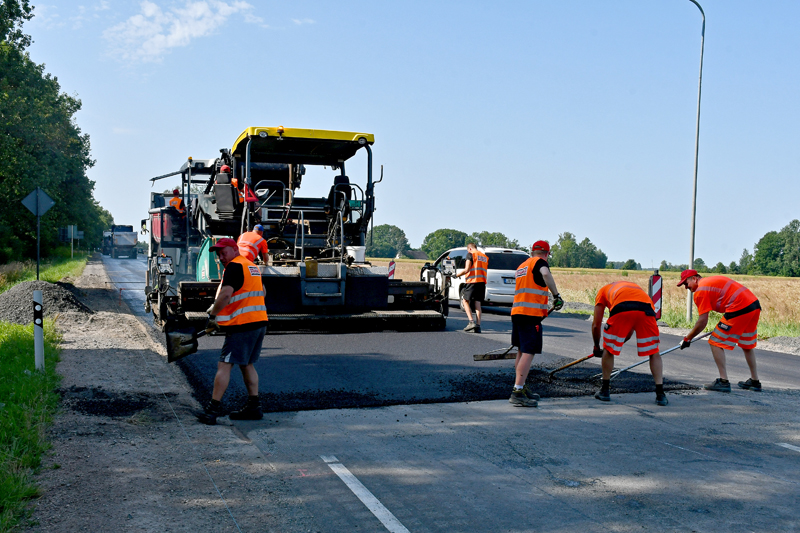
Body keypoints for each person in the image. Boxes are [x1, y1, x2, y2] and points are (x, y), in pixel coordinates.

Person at [197, 238, 269, 425]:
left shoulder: (234, 267)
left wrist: (213, 316)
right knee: (247, 364)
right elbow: (262, 291)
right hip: (259, 322)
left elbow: (226, 295)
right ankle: (254, 407)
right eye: (218, 254)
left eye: (224, 252)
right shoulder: (252, 266)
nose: (221, 257)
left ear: (235, 249)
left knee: (224, 365)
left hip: (243, 325)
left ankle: (212, 411)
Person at [677, 269, 762, 392]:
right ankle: (755, 381)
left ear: (694, 279)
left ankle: (723, 381)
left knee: (715, 342)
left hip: (739, 308)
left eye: (686, 283)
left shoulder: (701, 290)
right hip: (753, 305)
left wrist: (688, 338)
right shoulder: (710, 281)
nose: (686, 288)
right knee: (747, 345)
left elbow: (702, 321)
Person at [592, 281, 666, 406]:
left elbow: (596, 325)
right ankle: (661, 395)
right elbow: (630, 328)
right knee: (654, 352)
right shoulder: (633, 287)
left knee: (609, 350)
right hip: (647, 310)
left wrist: (597, 346)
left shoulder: (603, 291)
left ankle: (605, 391)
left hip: (622, 309)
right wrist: (619, 341)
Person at [508, 240, 563, 407]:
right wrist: (556, 295)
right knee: (529, 351)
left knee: (521, 350)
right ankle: (517, 391)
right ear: (546, 254)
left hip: (517, 312)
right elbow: (545, 274)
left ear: (532, 251)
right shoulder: (540, 263)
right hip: (530, 315)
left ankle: (521, 386)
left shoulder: (522, 265)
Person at [454, 243, 488, 333]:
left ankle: (471, 322)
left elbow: (467, 269)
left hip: (472, 281)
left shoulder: (470, 254)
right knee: (477, 303)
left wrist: (456, 275)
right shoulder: (484, 256)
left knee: (465, 301)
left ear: (469, 249)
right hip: (482, 282)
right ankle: (478, 326)